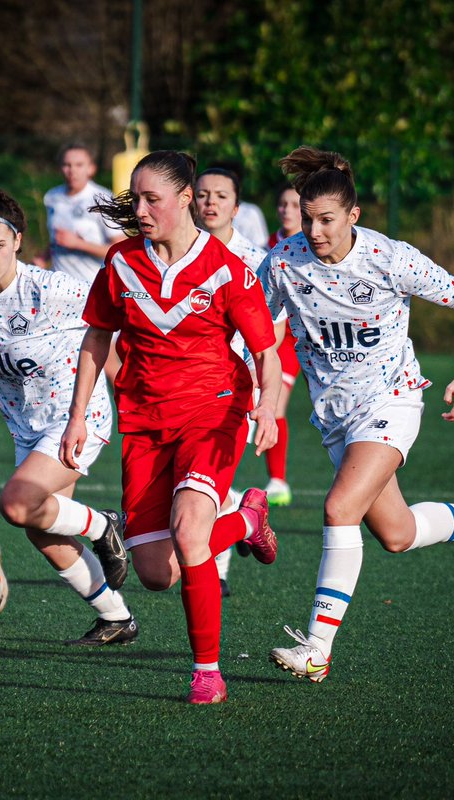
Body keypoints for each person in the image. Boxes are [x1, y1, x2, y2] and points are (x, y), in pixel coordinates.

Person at [259, 146, 454, 683]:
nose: (314, 230)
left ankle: (317, 649)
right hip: (335, 417)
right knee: (397, 534)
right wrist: (247, 391)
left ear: (353, 216)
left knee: (339, 509)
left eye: (327, 220)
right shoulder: (283, 263)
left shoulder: (388, 257)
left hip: (392, 400)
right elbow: (257, 335)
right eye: (307, 217)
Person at [60, 150, 283, 705]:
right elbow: (95, 339)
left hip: (214, 411)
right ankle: (247, 518)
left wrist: (266, 406)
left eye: (150, 199)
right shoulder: (120, 262)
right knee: (159, 573)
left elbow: (265, 351)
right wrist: (76, 416)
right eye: (134, 198)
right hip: (143, 423)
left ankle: (206, 671)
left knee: (189, 534)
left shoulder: (228, 268)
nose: (139, 209)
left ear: (185, 199)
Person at [0, 187, 138, 645]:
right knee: (41, 530)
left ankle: (105, 525)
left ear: (18, 241)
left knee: (16, 504)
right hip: (29, 430)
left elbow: (111, 313)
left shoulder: (50, 286)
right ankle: (115, 618)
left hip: (77, 417)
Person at [192, 166, 269, 597]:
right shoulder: (177, 251)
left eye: (221, 196)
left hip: (237, 384)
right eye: (203, 194)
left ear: (237, 208)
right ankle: (243, 514)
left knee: (208, 476)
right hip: (188, 384)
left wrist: (265, 389)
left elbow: (272, 330)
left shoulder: (255, 261)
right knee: (198, 478)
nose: (210, 203)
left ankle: (217, 569)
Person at [36, 142, 126, 382]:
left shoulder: (101, 198)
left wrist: (79, 244)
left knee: (105, 362)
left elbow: (119, 251)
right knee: (60, 361)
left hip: (92, 292)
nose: (71, 170)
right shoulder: (53, 197)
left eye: (78, 164)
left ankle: (132, 413)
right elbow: (57, 239)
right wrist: (43, 258)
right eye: (66, 164)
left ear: (91, 168)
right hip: (58, 294)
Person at [261, 185, 305, 506]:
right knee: (271, 405)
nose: (287, 210)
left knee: (275, 405)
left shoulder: (313, 245)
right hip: (273, 340)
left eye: (294, 204)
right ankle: (278, 482)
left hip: (298, 340)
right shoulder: (267, 247)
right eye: (282, 203)